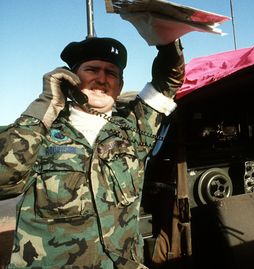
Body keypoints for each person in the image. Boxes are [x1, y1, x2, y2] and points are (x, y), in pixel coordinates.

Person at [0, 36, 185, 268]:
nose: (101, 78)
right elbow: (4, 179)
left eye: (111, 73)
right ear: (71, 78)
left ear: (120, 84)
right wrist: (46, 103)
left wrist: (167, 40)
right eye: (92, 69)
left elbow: (167, 81)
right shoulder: (36, 131)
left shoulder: (134, 129)